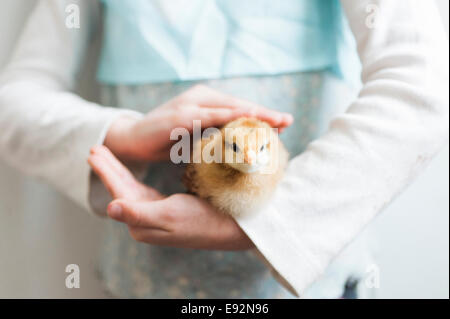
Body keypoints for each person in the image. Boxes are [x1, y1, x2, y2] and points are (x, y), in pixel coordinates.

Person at [0, 0, 448, 298]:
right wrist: (123, 134)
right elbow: (14, 102)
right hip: (140, 284)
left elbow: (424, 83)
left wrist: (265, 223)